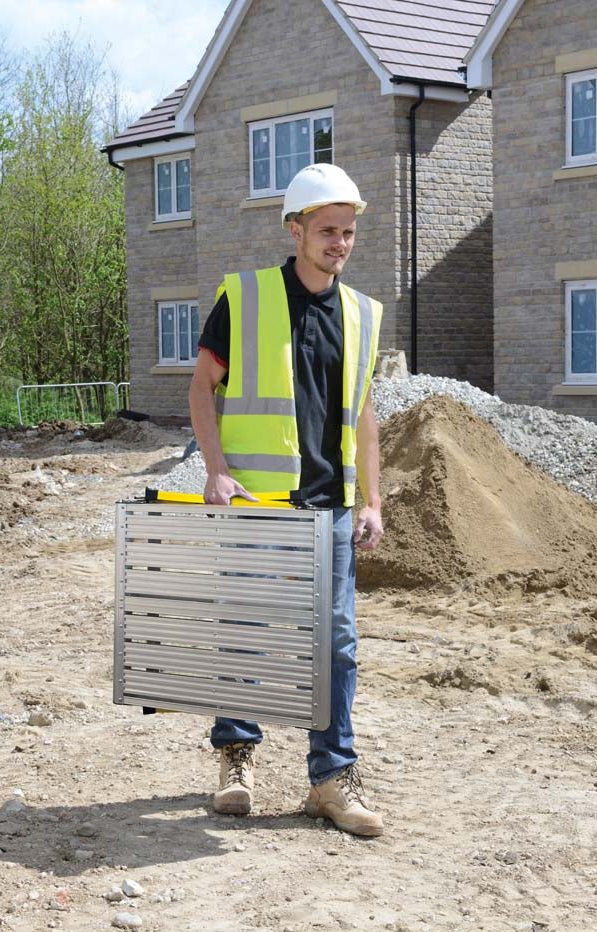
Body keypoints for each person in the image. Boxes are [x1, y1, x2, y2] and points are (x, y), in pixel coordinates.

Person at [189, 163, 384, 837]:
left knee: (337, 645)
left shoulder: (362, 314)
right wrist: (216, 471)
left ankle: (331, 779)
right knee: (245, 631)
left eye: (348, 232)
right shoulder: (245, 298)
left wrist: (373, 500)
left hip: (331, 507)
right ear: (295, 230)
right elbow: (202, 386)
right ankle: (236, 759)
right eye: (328, 231)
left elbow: (364, 413)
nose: (340, 243)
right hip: (257, 502)